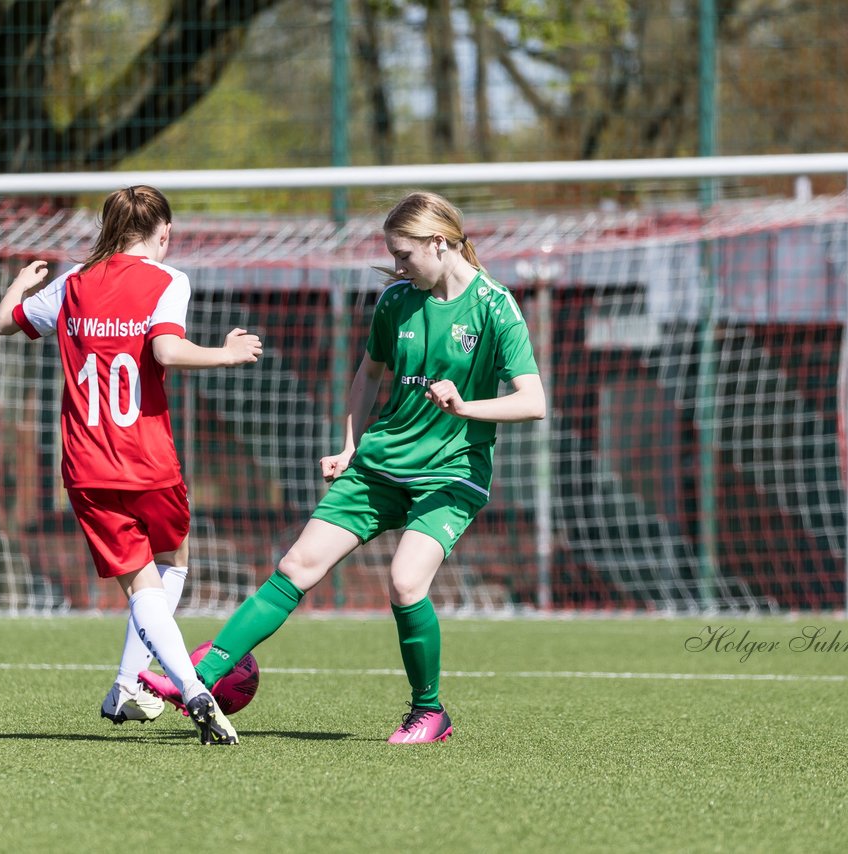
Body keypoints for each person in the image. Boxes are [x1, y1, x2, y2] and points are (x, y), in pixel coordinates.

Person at [140, 190, 546, 744]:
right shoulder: (396, 301)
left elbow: (533, 401)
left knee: (405, 583)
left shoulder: (496, 307)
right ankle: (199, 680)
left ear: (439, 242)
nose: (397, 267)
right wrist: (351, 446)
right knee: (296, 566)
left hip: (451, 474)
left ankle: (429, 712)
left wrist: (465, 406)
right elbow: (366, 376)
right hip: (380, 464)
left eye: (404, 255)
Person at [0, 185, 262, 745]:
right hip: (148, 458)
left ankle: (126, 686)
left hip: (86, 464)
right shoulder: (168, 281)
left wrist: (20, 287)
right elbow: (166, 350)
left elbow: (6, 323)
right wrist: (226, 353)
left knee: (141, 580)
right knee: (171, 564)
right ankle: (193, 691)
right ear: (164, 232)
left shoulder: (72, 282)